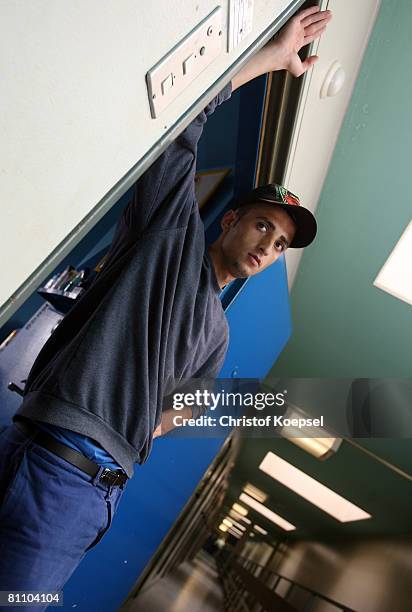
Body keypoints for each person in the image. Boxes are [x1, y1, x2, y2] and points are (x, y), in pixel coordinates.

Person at [0, 5, 332, 603]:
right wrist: (274, 60)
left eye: (280, 244)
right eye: (262, 226)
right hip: (25, 437)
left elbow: (188, 404)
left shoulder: (219, 334)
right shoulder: (169, 228)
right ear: (231, 219)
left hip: (78, 485)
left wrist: (146, 422)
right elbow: (186, 123)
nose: (268, 245)